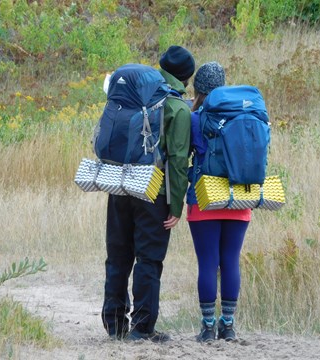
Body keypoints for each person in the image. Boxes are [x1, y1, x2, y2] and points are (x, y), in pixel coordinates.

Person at [101, 45, 195, 342]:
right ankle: (142, 328)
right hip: (153, 189)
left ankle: (114, 325)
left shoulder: (136, 95)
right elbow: (179, 161)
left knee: (118, 256)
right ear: (186, 78)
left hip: (120, 182)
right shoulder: (177, 107)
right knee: (149, 258)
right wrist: (176, 204)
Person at [186, 61, 251, 342]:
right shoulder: (243, 113)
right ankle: (228, 325)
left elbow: (183, 155)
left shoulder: (195, 118)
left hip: (204, 198)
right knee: (230, 261)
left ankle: (208, 327)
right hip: (239, 198)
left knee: (208, 263)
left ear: (199, 89)